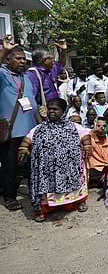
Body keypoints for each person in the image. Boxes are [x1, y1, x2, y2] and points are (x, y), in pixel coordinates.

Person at [17, 98, 91, 222]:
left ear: (63, 111)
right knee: (46, 195)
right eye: (49, 109)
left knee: (76, 188)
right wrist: (23, 147)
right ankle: (44, 210)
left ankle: (78, 203)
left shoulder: (73, 126)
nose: (51, 111)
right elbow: (28, 138)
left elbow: (85, 135)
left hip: (69, 171)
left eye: (55, 109)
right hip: (48, 172)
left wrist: (87, 146)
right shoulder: (40, 128)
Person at [0, 38, 38, 210]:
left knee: (32, 164)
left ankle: (34, 192)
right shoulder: (2, 75)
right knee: (10, 166)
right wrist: (4, 50)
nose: (22, 61)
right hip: (11, 129)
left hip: (30, 129)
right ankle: (10, 197)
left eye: (24, 59)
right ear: (8, 59)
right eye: (18, 58)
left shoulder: (27, 77)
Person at [87, 117, 108, 188]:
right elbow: (84, 135)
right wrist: (93, 130)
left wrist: (107, 172)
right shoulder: (90, 139)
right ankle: (102, 181)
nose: (102, 128)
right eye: (99, 126)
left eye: (104, 126)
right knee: (89, 174)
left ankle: (102, 181)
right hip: (95, 169)